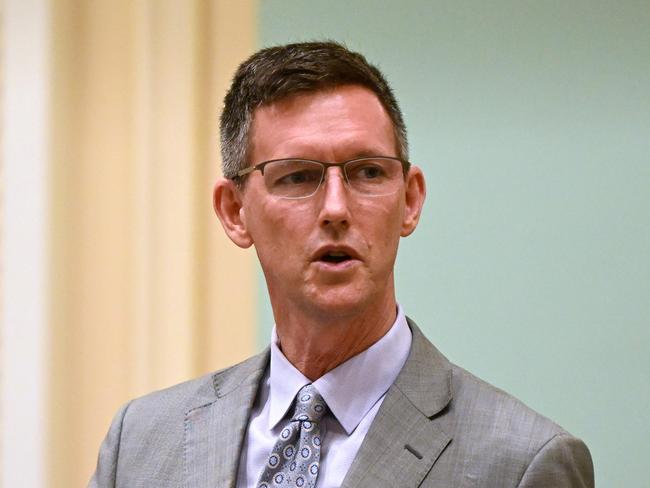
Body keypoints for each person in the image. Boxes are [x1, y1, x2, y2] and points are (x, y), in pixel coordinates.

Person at [89, 41, 594, 488]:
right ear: (234, 212)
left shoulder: (522, 464)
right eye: (296, 176)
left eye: (367, 172)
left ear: (411, 200)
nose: (335, 207)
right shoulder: (140, 444)